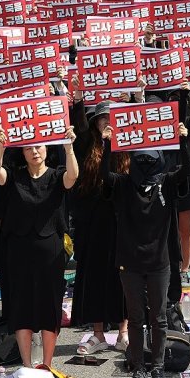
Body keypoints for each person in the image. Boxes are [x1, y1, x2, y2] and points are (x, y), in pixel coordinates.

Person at [100, 122, 189, 378]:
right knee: (136, 318)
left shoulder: (166, 183)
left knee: (159, 318)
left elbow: (186, 172)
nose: (146, 165)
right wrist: (107, 144)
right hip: (130, 263)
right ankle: (138, 368)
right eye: (141, 161)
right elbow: (105, 175)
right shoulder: (124, 184)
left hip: (160, 262)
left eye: (151, 160)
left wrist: (183, 141)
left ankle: (158, 367)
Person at [0, 125, 79, 367]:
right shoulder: (14, 174)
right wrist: (0, 147)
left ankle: (47, 364)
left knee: (50, 307)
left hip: (50, 250)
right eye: (28, 148)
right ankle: (27, 365)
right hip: (18, 250)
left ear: (46, 148)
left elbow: (72, 178)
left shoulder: (57, 174)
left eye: (38, 146)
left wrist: (69, 149)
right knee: (21, 307)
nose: (34, 152)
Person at [70, 98, 130, 355]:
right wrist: (80, 99)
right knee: (94, 276)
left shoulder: (126, 143)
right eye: (103, 118)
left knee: (123, 275)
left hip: (120, 220)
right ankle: (97, 334)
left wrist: (138, 99)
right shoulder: (87, 144)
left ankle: (124, 331)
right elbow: (80, 127)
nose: (107, 121)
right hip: (92, 222)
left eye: (111, 117)